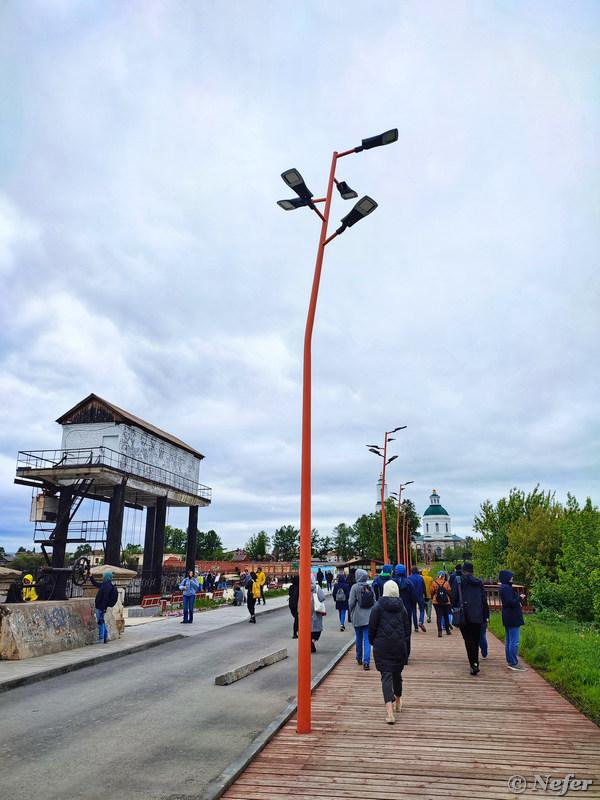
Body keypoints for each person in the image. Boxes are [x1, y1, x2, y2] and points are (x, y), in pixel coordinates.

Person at [368, 579, 411, 725]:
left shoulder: (377, 607)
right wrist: (404, 641)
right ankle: (398, 701)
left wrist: (373, 641)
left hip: (382, 646)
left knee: (386, 676)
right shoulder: (402, 607)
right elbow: (407, 629)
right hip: (398, 645)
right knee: (397, 674)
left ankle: (390, 712)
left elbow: (372, 627)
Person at [454, 562, 489, 675]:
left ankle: (473, 664)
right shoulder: (479, 582)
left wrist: (454, 608)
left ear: (463, 570)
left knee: (468, 640)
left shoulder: (458, 581)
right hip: (478, 615)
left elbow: (454, 597)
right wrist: (486, 615)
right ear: (472, 571)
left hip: (464, 615)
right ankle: (475, 663)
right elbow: (484, 600)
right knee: (476, 640)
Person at [499, 569, 526, 671]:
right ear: (506, 577)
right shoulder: (506, 588)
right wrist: (519, 598)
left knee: (509, 640)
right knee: (514, 641)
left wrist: (517, 598)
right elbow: (510, 602)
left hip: (508, 616)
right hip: (512, 617)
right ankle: (513, 663)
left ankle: (510, 661)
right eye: (511, 577)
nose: (512, 578)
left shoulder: (504, 587)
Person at [348, 568, 374, 670]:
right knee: (367, 640)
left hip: (357, 617)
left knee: (358, 638)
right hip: (368, 617)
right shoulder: (369, 586)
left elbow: (351, 602)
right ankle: (366, 662)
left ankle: (359, 657)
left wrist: (350, 612)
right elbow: (374, 600)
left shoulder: (354, 587)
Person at [394, 565, 417, 660]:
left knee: (395, 633)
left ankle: (397, 654)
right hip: (407, 611)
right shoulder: (409, 583)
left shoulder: (392, 583)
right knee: (407, 632)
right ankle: (406, 654)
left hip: (395, 612)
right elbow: (414, 598)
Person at [90, 570, 118, 643]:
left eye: (103, 576)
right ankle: (105, 637)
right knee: (102, 621)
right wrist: (91, 576)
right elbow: (95, 584)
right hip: (101, 607)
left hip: (101, 607)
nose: (102, 577)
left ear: (106, 577)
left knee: (100, 622)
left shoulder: (106, 586)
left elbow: (105, 598)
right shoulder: (106, 585)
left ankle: (101, 638)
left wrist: (103, 608)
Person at [431, 570, 452, 637]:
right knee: (446, 616)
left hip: (436, 602)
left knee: (439, 616)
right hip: (446, 602)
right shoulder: (446, 583)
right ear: (443, 576)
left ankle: (439, 632)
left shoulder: (434, 583)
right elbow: (449, 590)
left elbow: (431, 591)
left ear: (438, 576)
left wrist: (433, 597)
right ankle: (447, 630)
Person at [408, 566, 427, 632]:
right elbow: (424, 588)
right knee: (422, 609)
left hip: (412, 596)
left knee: (413, 611)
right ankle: (421, 622)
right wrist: (426, 595)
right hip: (420, 596)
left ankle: (416, 627)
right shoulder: (420, 578)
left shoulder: (409, 578)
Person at [310, 575, 326, 652]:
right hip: (316, 610)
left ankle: (309, 642)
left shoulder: (302, 587)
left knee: (308, 629)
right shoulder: (317, 587)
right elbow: (322, 597)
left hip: (307, 612)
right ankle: (313, 641)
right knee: (317, 629)